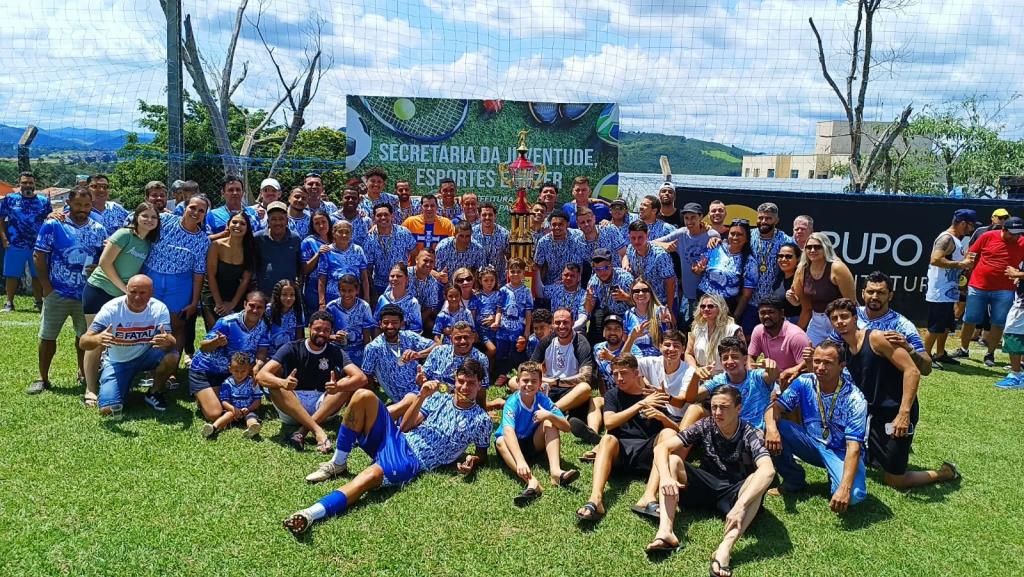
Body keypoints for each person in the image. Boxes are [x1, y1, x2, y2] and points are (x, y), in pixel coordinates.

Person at [284, 361, 492, 535]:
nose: (464, 388)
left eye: (471, 384)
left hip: (412, 459)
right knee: (362, 395)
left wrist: (473, 460)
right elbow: (405, 426)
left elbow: (481, 454)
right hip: (398, 437)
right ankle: (338, 462)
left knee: (368, 476)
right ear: (455, 380)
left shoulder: (481, 420)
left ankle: (310, 513)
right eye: (461, 381)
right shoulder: (439, 398)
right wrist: (421, 397)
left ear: (480, 384)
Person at [829, 298, 960, 489]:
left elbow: (912, 371)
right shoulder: (844, 348)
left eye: (844, 316)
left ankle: (945, 472)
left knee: (895, 480)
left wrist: (904, 413)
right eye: (835, 318)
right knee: (868, 461)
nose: (840, 321)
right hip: (873, 415)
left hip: (896, 412)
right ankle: (884, 451)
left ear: (855, 318)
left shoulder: (876, 339)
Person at [646, 385, 775, 576]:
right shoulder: (705, 424)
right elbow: (661, 448)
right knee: (673, 461)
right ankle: (666, 532)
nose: (717, 412)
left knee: (757, 482)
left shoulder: (751, 433)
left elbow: (768, 470)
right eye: (714, 407)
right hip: (705, 485)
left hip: (734, 493)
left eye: (724, 407)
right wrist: (665, 478)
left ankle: (725, 549)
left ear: (738, 408)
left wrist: (740, 506)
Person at [764, 340, 868, 513]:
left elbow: (854, 447)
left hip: (841, 452)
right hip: (811, 443)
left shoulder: (855, 399)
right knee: (775, 427)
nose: (820, 367)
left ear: (842, 366)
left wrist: (845, 488)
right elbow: (774, 408)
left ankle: (836, 476)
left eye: (828, 363)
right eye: (817, 361)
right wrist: (772, 429)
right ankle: (794, 480)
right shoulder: (805, 382)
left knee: (854, 496)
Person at [574, 354, 677, 524]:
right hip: (620, 452)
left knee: (668, 434)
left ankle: (649, 496)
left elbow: (677, 434)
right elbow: (609, 422)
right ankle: (595, 499)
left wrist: (663, 418)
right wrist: (640, 405)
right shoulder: (613, 395)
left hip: (647, 452)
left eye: (624, 373)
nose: (619, 378)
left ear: (636, 373)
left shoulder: (653, 396)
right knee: (607, 440)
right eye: (615, 374)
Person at [27, 187, 106, 394]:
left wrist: (97, 266)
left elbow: (105, 259)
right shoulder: (54, 224)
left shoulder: (98, 228)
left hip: (87, 294)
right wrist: (46, 286)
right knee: (47, 336)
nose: (82, 209)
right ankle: (42, 378)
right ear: (69, 203)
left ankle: (83, 373)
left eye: (87, 205)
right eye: (78, 204)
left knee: (84, 337)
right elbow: (39, 255)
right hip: (57, 292)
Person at [81, 202, 161, 405]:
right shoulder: (124, 234)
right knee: (97, 341)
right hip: (99, 291)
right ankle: (90, 389)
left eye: (154, 217)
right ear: (136, 217)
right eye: (145, 216)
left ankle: (113, 376)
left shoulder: (147, 242)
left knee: (118, 338)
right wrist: (124, 289)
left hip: (122, 297)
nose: (149, 220)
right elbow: (104, 263)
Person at [257, 310, 367, 452]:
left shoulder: (336, 352)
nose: (321, 333)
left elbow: (361, 378)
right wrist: (283, 383)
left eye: (326, 330)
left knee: (347, 382)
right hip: (293, 406)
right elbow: (261, 375)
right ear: (309, 328)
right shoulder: (291, 347)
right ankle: (318, 431)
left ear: (331, 332)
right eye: (317, 329)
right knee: (275, 386)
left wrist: (337, 386)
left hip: (323, 405)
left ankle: (302, 431)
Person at [82, 275, 179, 417]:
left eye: (142, 293)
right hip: (118, 362)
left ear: (151, 293)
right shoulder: (111, 309)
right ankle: (117, 382)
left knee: (172, 355)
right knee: (108, 410)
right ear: (126, 290)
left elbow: (171, 341)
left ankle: (155, 392)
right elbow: (83, 341)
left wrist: (167, 340)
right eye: (133, 292)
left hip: (146, 355)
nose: (137, 297)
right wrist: (98, 338)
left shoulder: (159, 308)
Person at [496, 361, 580, 505]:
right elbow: (509, 432)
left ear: (540, 383)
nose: (529, 385)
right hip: (511, 445)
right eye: (525, 380)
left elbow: (566, 428)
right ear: (517, 381)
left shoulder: (543, 399)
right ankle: (532, 482)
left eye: (534, 381)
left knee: (549, 423)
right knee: (500, 441)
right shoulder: (512, 402)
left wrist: (549, 415)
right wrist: (520, 461)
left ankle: (556, 473)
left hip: (532, 442)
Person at [143, 193, 211, 363]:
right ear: (185, 207)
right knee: (147, 321)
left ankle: (170, 366)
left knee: (177, 325)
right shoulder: (164, 220)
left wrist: (194, 302)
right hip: (152, 277)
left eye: (201, 210)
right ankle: (147, 365)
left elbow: (198, 273)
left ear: (205, 215)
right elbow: (138, 221)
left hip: (180, 283)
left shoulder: (203, 240)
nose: (196, 212)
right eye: (192, 207)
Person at [824, 271, 932, 377]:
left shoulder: (902, 326)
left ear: (890, 295)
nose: (874, 297)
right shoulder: (850, 317)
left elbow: (926, 369)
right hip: (851, 385)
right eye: (870, 292)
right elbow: (829, 348)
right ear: (862, 293)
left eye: (881, 293)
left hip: (883, 385)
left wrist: (909, 348)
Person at [189, 291, 270, 424]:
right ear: (244, 304)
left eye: (259, 307)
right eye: (252, 305)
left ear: (264, 309)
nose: (255, 310)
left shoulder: (264, 327)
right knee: (215, 414)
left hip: (232, 373)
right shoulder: (227, 322)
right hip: (205, 371)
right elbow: (203, 347)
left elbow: (262, 350)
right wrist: (216, 342)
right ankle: (202, 396)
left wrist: (258, 366)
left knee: (239, 404)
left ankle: (213, 396)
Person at [953, 216, 1024, 367]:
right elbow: (971, 254)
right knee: (970, 319)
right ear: (1004, 230)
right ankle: (964, 349)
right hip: (978, 286)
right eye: (1013, 233)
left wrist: (1018, 274)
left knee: (998, 322)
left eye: (1019, 233)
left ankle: (990, 354)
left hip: (1005, 289)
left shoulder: (1022, 242)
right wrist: (966, 271)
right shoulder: (987, 236)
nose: (1016, 237)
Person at [530, 308, 602, 443]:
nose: (561, 326)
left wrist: (556, 381)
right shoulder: (546, 341)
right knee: (514, 382)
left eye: (565, 322)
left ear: (572, 322)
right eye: (557, 322)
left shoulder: (580, 342)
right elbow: (530, 368)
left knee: (585, 388)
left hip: (570, 390)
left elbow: (586, 376)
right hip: (548, 387)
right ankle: (561, 415)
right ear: (552, 324)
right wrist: (542, 379)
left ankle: (551, 412)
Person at [654, 202, 720, 332]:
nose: (689, 221)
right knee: (685, 328)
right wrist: (665, 246)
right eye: (686, 218)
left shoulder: (712, 235)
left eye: (693, 217)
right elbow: (652, 242)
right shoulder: (681, 234)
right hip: (688, 294)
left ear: (701, 217)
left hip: (708, 296)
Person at [926, 209, 977, 368]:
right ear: (962, 223)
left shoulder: (956, 239)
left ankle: (940, 354)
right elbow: (935, 260)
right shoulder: (946, 238)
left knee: (946, 326)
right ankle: (924, 357)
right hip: (939, 291)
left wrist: (964, 264)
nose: (971, 229)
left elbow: (952, 262)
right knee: (935, 327)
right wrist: (960, 264)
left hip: (949, 291)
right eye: (970, 225)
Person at [361, 304, 436, 404]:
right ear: (380, 324)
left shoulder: (409, 336)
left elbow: (437, 346)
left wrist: (418, 354)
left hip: (423, 386)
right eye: (386, 322)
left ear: (401, 324)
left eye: (395, 322)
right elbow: (367, 377)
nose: (390, 326)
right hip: (403, 398)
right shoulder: (373, 348)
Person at [0, 171, 51, 312]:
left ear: (35, 184)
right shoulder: (10, 199)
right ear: (19, 184)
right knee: (12, 274)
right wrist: (4, 239)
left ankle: (39, 302)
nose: (27, 185)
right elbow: (1, 219)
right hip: (15, 243)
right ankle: (9, 302)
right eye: (24, 182)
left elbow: (50, 221)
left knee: (37, 274)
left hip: (38, 245)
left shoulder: (43, 201)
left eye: (30, 182)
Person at [793, 232, 856, 344]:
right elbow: (805, 307)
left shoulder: (837, 268)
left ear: (826, 248)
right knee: (810, 356)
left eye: (817, 247)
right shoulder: (802, 270)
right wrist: (796, 331)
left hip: (839, 321)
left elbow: (851, 302)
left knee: (838, 358)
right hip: (817, 322)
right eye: (809, 247)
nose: (812, 250)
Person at [696, 218, 756, 325]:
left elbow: (746, 295)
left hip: (725, 308)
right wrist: (698, 269)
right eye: (732, 233)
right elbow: (696, 269)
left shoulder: (749, 262)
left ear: (747, 238)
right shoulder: (715, 247)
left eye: (740, 234)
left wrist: (735, 317)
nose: (735, 237)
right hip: (703, 303)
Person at [202, 211, 257, 328]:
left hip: (236, 294)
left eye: (242, 224)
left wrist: (232, 304)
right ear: (228, 225)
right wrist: (218, 303)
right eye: (234, 222)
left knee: (233, 331)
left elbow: (245, 280)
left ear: (247, 228)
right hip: (213, 292)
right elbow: (210, 275)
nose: (237, 226)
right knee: (215, 331)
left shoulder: (250, 249)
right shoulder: (216, 245)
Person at [422, 321, 492, 400]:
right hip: (431, 397)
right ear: (451, 339)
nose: (462, 341)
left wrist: (482, 409)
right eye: (458, 338)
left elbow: (481, 390)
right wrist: (421, 378)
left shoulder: (480, 359)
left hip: (459, 402)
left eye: (466, 337)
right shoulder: (438, 351)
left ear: (473, 338)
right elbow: (424, 375)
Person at [748, 296, 812, 382]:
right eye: (762, 313)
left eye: (771, 312)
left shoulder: (796, 336)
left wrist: (786, 374)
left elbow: (806, 366)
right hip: (770, 378)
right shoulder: (758, 330)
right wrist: (752, 377)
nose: (766, 316)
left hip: (792, 380)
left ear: (781, 313)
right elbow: (751, 357)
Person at [202, 352, 263, 439]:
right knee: (228, 415)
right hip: (233, 411)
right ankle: (213, 427)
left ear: (249, 369)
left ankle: (252, 427)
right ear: (230, 369)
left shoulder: (253, 383)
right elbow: (224, 401)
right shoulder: (227, 383)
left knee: (251, 416)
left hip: (248, 410)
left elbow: (258, 400)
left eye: (243, 371)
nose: (239, 374)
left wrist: (249, 409)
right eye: (236, 371)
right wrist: (233, 409)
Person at [580, 248, 634, 344]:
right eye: (598, 269)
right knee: (595, 321)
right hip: (605, 311)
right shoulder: (594, 281)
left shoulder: (625, 278)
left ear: (611, 265)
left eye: (605, 268)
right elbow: (588, 310)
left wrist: (626, 298)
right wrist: (588, 299)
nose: (602, 272)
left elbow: (640, 304)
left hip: (625, 313)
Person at [365, 203, 417, 302]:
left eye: (386, 214)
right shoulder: (369, 238)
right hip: (379, 284)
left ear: (392, 216)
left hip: (402, 283)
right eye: (379, 215)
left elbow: (415, 253)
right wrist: (372, 292)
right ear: (374, 217)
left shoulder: (403, 232)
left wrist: (409, 274)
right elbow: (368, 268)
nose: (383, 217)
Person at [494, 258, 534, 381]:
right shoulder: (503, 290)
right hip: (503, 329)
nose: (515, 274)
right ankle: (500, 375)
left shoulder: (527, 291)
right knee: (501, 353)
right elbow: (499, 309)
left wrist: (527, 329)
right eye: (512, 271)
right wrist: (497, 321)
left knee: (515, 353)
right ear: (508, 273)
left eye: (518, 271)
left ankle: (513, 375)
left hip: (518, 329)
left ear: (523, 273)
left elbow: (528, 312)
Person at [686, 293, 744, 377]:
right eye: (702, 306)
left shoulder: (733, 329)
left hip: (726, 377)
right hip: (701, 375)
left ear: (720, 308)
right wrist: (696, 369)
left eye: (710, 306)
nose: (706, 309)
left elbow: (743, 357)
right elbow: (688, 354)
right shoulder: (697, 327)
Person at [623, 220, 676, 312]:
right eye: (633, 238)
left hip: (662, 301)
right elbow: (626, 254)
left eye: (640, 237)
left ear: (647, 235)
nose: (636, 241)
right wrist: (626, 263)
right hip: (643, 300)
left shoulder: (660, 256)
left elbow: (670, 283)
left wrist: (669, 310)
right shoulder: (631, 249)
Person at [324, 274, 376, 367]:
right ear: (339, 290)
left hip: (358, 350)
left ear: (357, 290)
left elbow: (366, 336)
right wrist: (334, 337)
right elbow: (325, 334)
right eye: (343, 290)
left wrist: (367, 357)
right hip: (337, 348)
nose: (346, 294)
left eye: (350, 291)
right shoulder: (331, 307)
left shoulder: (364, 307)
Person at [318, 221, 370, 307]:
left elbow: (364, 277)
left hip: (354, 296)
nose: (344, 235)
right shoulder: (327, 251)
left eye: (347, 232)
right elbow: (322, 279)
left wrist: (367, 297)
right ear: (334, 234)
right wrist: (322, 302)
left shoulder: (358, 250)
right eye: (341, 232)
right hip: (332, 296)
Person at [255, 201, 302, 296]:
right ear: (268, 221)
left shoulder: (295, 239)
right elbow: (252, 264)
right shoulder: (258, 238)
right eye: (274, 219)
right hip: (264, 293)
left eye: (281, 219)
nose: (278, 222)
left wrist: (298, 282)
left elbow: (300, 265)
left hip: (288, 296)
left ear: (287, 221)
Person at [534, 209, 586, 288]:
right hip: (551, 286)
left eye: (560, 224)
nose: (557, 227)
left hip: (573, 284)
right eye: (554, 224)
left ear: (567, 224)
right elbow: (538, 266)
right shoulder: (543, 242)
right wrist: (538, 287)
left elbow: (579, 266)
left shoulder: (578, 236)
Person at [623, 277, 674, 357]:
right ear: (631, 294)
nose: (641, 293)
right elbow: (625, 340)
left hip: (656, 359)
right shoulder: (628, 314)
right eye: (636, 291)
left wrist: (666, 324)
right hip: (635, 359)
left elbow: (670, 339)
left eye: (644, 290)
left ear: (650, 293)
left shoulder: (661, 311)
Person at [592, 315, 642, 391]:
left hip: (630, 393)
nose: (612, 332)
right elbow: (601, 375)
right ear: (603, 332)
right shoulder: (597, 348)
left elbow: (639, 374)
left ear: (623, 332)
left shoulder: (634, 349)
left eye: (617, 329)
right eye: (609, 329)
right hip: (611, 395)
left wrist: (612, 358)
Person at [577, 206, 627, 280]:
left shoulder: (609, 229)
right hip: (598, 279)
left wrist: (625, 272)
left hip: (618, 276)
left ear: (594, 218)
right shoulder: (579, 242)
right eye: (582, 222)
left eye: (589, 220)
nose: (586, 224)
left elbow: (623, 254)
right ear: (578, 224)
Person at [299, 208, 333, 315]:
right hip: (314, 287)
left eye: (323, 222)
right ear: (312, 226)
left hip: (334, 285)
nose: (321, 226)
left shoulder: (336, 239)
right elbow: (304, 270)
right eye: (317, 223)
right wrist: (318, 254)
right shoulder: (308, 242)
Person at [404, 194, 456, 263]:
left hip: (439, 266)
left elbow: (454, 244)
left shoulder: (447, 224)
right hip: (415, 266)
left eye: (432, 205)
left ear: (437, 207)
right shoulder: (410, 222)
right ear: (421, 207)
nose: (429, 208)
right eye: (426, 206)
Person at [375, 263, 423, 333]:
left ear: (406, 279)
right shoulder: (383, 298)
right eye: (392, 276)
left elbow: (417, 329)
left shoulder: (412, 302)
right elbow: (376, 324)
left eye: (399, 276)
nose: (395, 279)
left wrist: (404, 323)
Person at [409, 249, 444, 335]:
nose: (428, 264)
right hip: (398, 314)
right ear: (417, 260)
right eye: (425, 260)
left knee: (432, 325)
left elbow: (429, 309)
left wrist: (417, 324)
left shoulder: (433, 282)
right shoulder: (404, 274)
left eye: (431, 261)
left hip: (419, 315)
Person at [473, 202, 510, 284]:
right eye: (484, 215)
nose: (487, 217)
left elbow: (509, 256)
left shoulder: (504, 234)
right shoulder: (472, 233)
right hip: (477, 283)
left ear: (495, 216)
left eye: (490, 215)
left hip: (499, 281)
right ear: (479, 216)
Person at [267, 279, 304, 356]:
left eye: (292, 295)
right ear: (278, 295)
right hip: (270, 352)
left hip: (289, 352)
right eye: (284, 295)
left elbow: (299, 337)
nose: (288, 298)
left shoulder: (298, 311)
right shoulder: (269, 310)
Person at [771, 242, 803, 323]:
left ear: (798, 259)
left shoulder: (802, 279)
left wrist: (796, 303)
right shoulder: (779, 275)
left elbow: (807, 309)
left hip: (794, 325)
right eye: (780, 256)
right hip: (777, 322)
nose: (783, 259)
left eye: (788, 256)